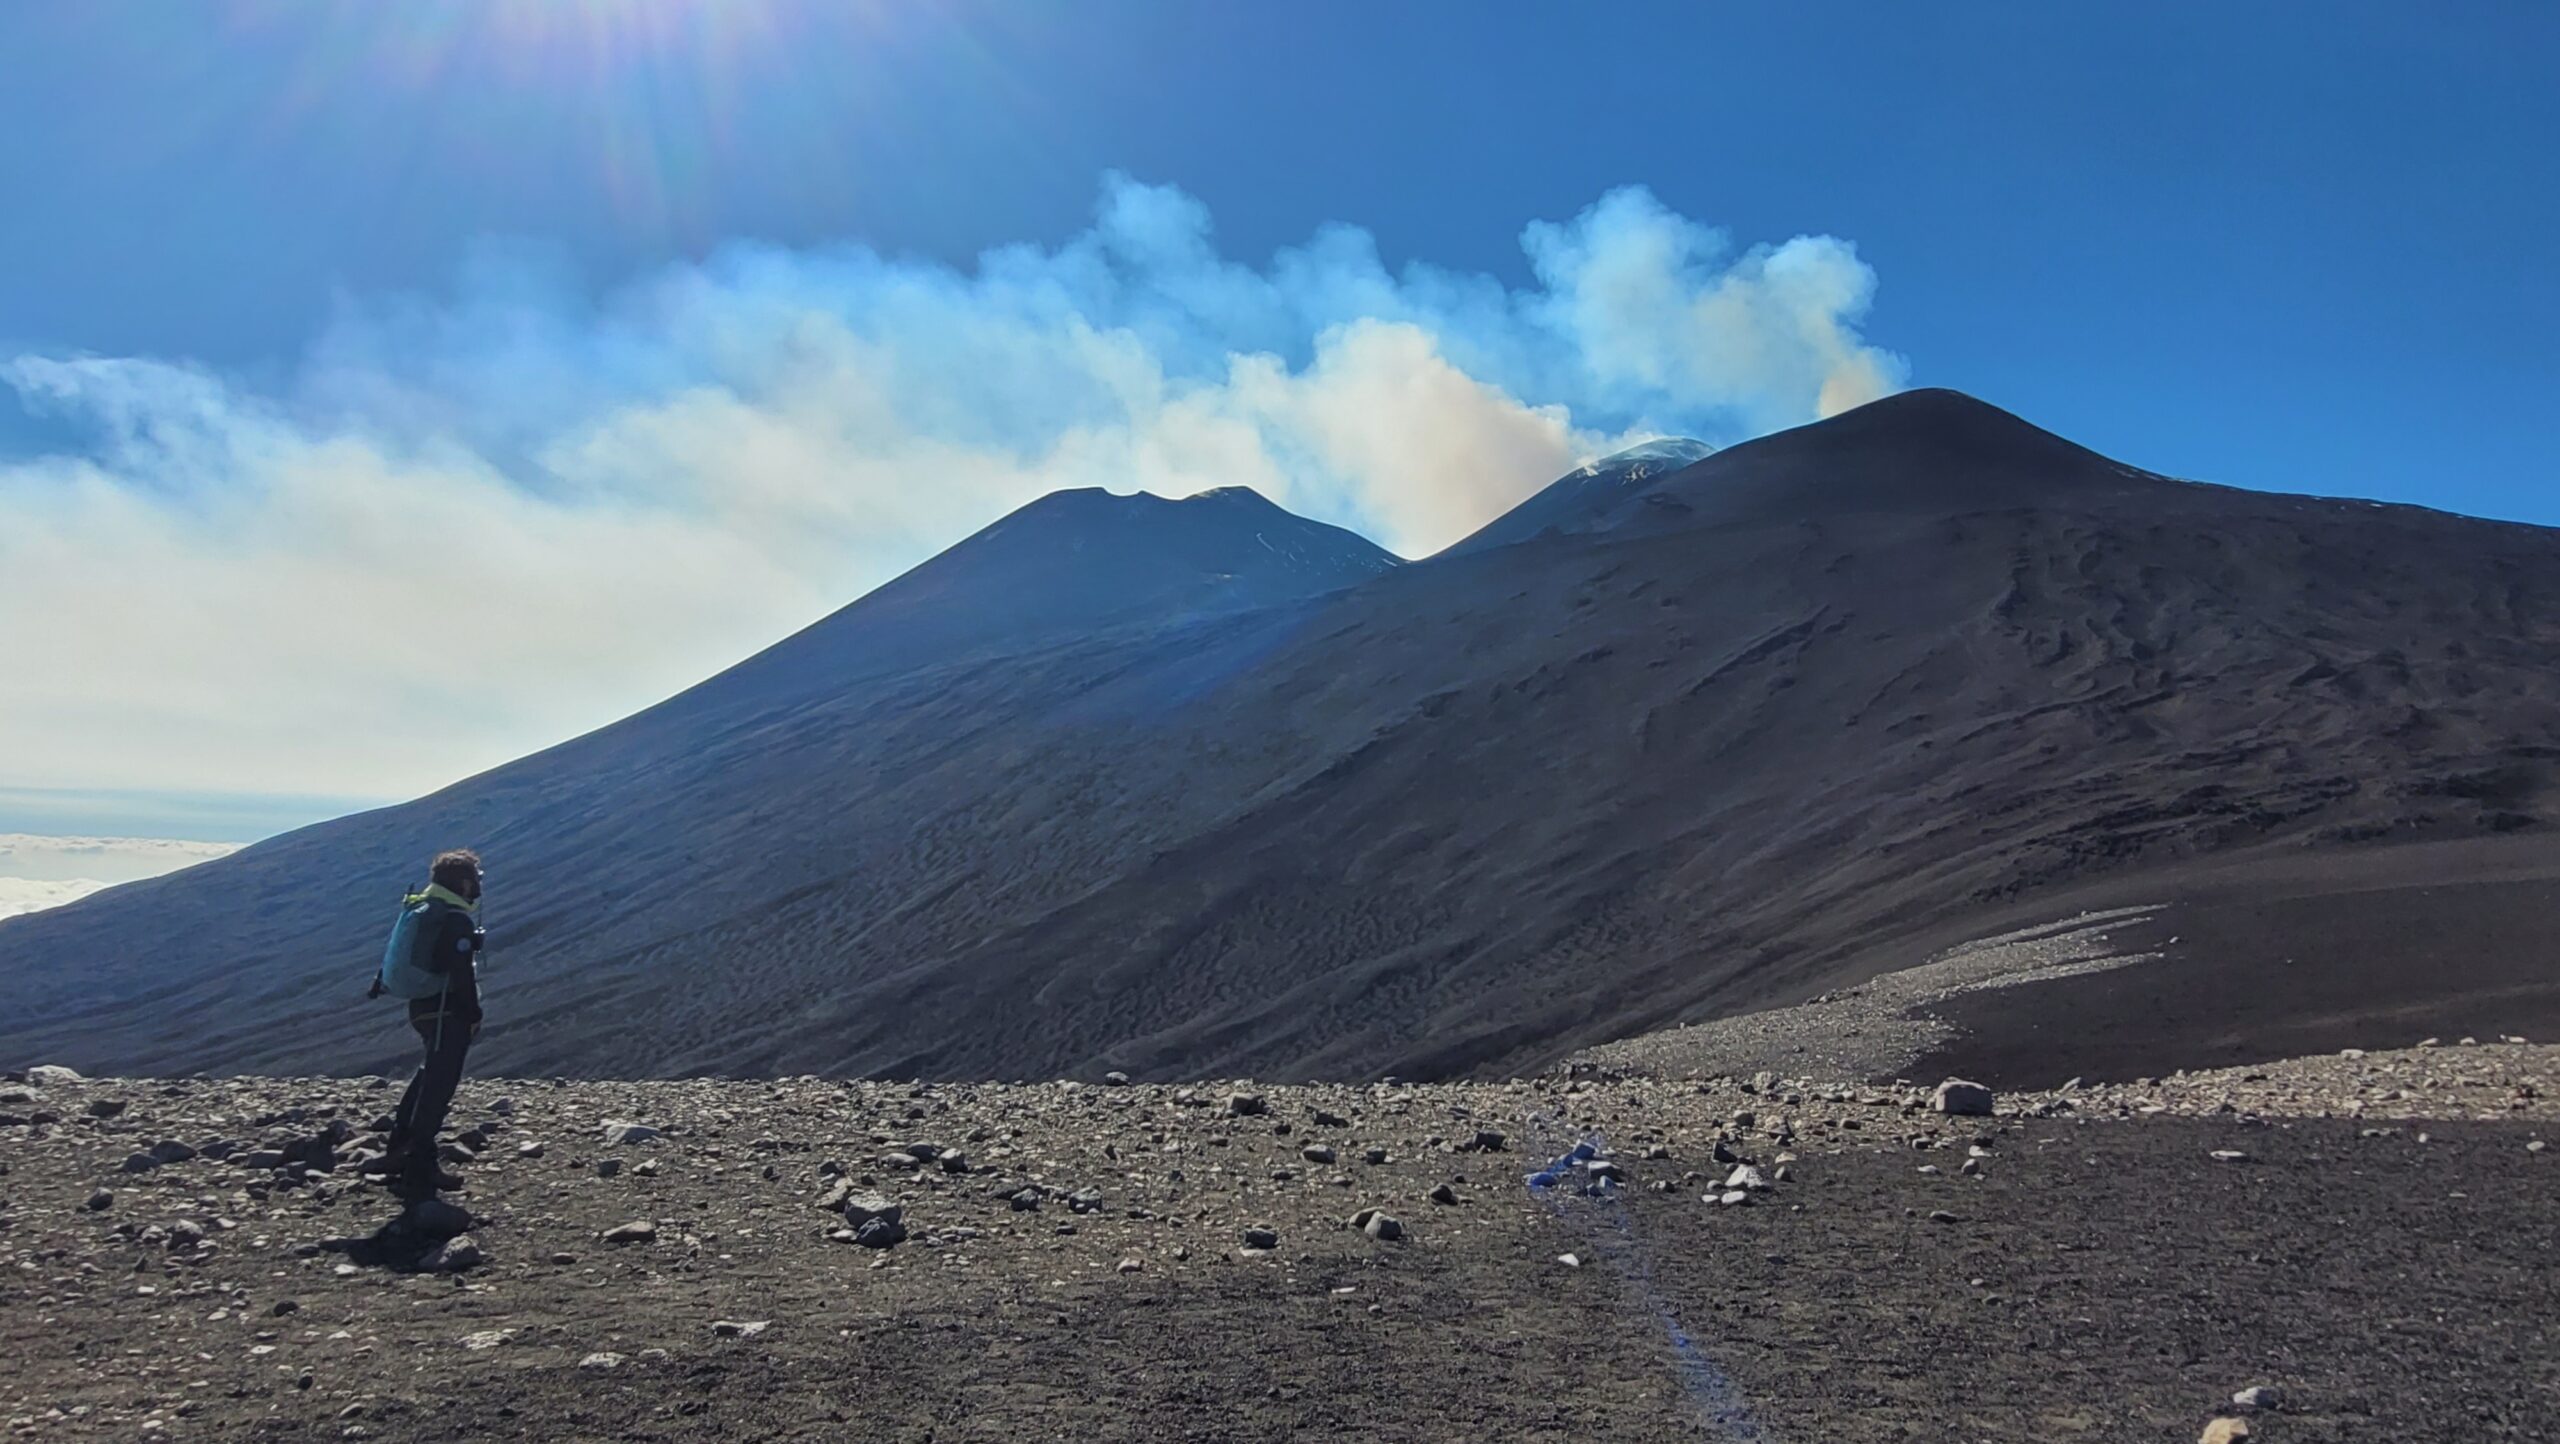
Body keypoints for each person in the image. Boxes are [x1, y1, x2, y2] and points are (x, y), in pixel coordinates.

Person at [366, 848, 486, 1198]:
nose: (478, 886)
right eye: (475, 879)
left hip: (423, 1006)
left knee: (428, 1075)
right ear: (463, 883)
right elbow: (460, 972)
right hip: (445, 1009)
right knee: (439, 1085)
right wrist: (473, 1013)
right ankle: (419, 1166)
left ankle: (398, 1150)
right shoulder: (454, 919)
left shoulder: (425, 909)